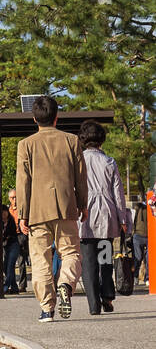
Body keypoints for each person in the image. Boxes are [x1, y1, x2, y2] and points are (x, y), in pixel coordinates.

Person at [15, 95, 88, 322]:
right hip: (66, 207)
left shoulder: (25, 145)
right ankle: (65, 282)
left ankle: (47, 308)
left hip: (37, 211)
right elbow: (81, 178)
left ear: (35, 119)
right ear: (57, 117)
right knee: (71, 253)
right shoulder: (72, 141)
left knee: (40, 260)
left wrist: (22, 214)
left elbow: (23, 182)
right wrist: (82, 204)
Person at [77, 120, 130, 316]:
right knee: (105, 259)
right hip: (107, 216)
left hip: (85, 216)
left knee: (89, 262)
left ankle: (93, 305)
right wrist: (122, 218)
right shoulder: (109, 162)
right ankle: (107, 295)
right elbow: (118, 194)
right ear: (102, 140)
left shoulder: (79, 161)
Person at [0, 203, 22, 295]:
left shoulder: (11, 220)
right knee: (6, 267)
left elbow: (11, 233)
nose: (4, 214)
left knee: (10, 266)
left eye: (5, 212)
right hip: (6, 246)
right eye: (2, 213)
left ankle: (5, 287)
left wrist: (5, 237)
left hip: (14, 245)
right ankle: (14, 287)